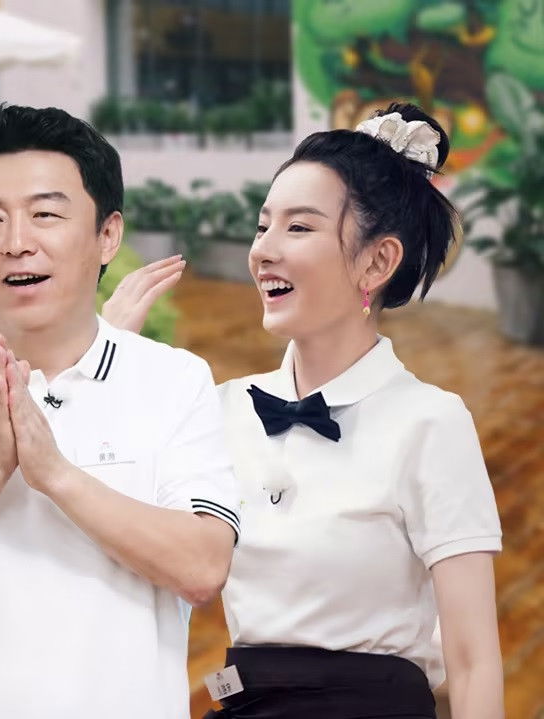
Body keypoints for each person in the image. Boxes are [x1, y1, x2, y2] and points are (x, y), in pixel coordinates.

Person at [104, 103, 504, 718]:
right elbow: (121, 540)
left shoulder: (431, 422)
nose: (264, 250)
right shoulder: (221, 409)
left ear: (377, 261)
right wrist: (107, 367)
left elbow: (474, 663)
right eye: (262, 226)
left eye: (298, 227)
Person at [0, 104, 240, 719]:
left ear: (108, 235)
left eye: (46, 215)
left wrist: (56, 474)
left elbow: (203, 566)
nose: (16, 243)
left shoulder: (174, 380)